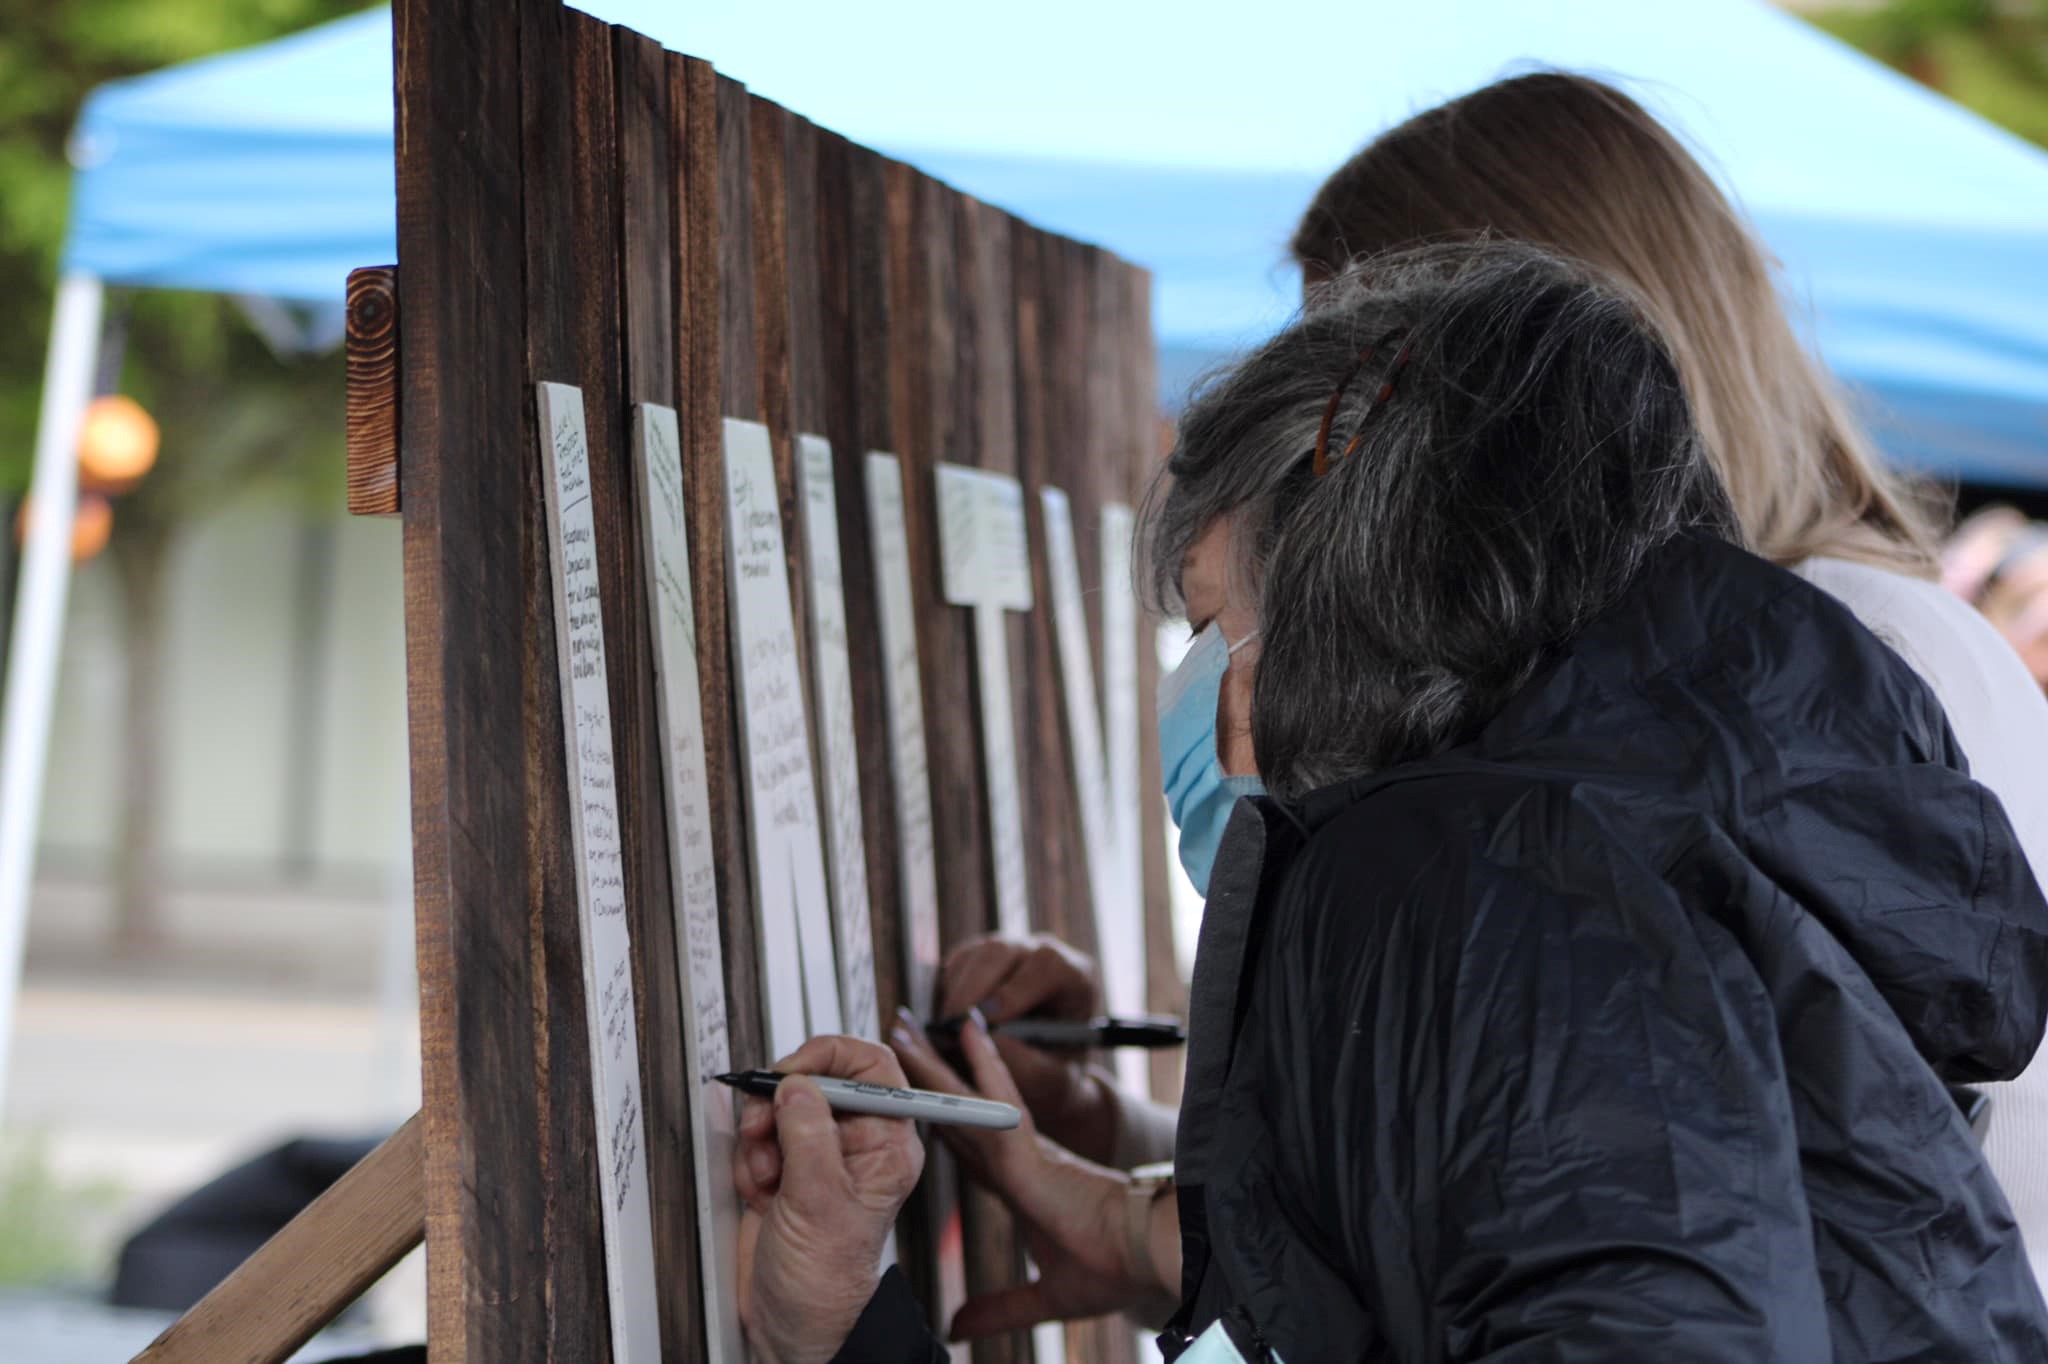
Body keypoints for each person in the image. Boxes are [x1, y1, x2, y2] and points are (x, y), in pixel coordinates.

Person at [960, 70, 2048, 1286]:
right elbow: (1574, 1190)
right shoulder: (1731, 668)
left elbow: (1686, 1234)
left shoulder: (1831, 660)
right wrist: (1131, 1160)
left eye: (1368, 403)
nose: (1341, 499)